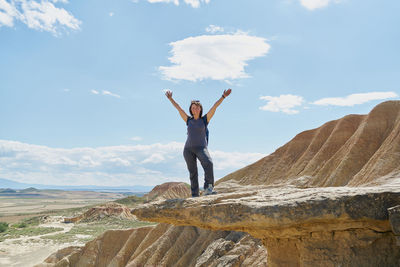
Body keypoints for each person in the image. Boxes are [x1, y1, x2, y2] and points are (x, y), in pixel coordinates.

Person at [165, 89, 232, 197]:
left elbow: (215, 106)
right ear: (191, 110)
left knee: (208, 163)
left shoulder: (205, 119)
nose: (195, 109)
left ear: (200, 109)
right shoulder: (188, 120)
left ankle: (208, 188)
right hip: (188, 150)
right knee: (193, 172)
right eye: (193, 108)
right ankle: (195, 194)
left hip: (201, 148)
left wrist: (223, 97)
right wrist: (170, 99)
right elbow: (178, 108)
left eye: (197, 107)